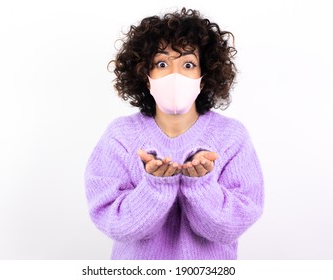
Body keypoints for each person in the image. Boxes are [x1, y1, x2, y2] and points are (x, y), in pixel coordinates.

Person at [84, 7, 264, 260]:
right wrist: (155, 187)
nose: (175, 74)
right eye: (161, 63)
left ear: (203, 78)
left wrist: (201, 185)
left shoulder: (231, 136)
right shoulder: (121, 136)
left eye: (188, 64)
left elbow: (230, 227)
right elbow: (117, 224)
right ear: (146, 76)